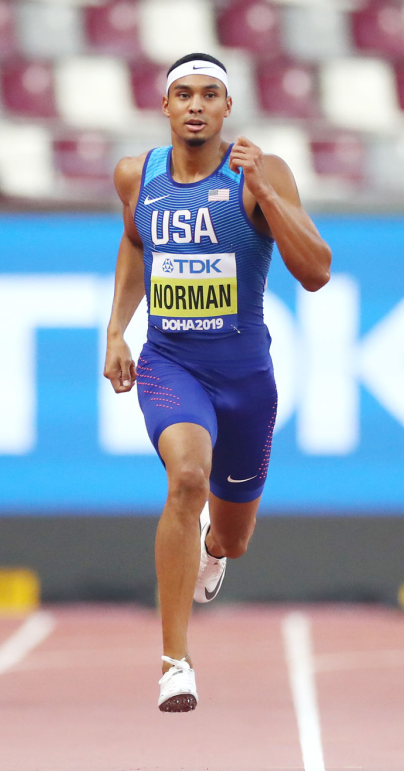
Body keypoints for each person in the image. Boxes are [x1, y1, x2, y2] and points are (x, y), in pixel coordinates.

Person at [104, 53, 331, 712]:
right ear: (166, 107)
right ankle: (176, 661)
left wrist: (266, 194)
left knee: (233, 534)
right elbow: (135, 244)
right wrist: (118, 330)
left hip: (245, 380)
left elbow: (316, 269)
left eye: (209, 94)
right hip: (171, 364)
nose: (196, 105)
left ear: (227, 108)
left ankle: (211, 548)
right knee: (185, 478)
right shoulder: (136, 175)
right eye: (183, 95)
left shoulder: (259, 171)